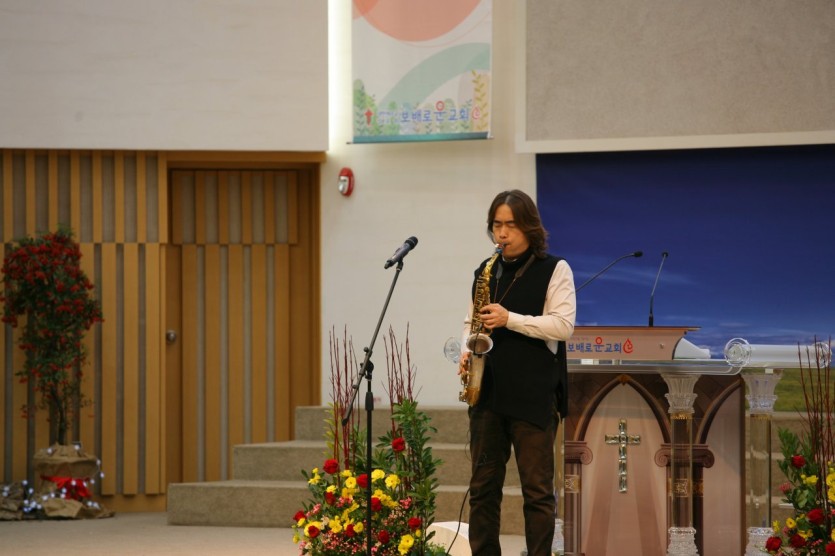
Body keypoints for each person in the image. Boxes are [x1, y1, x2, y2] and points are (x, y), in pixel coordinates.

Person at [459, 189, 576, 556]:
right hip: (488, 392)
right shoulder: (486, 270)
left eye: (510, 225)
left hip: (533, 394)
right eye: (496, 225)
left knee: (537, 493)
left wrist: (510, 319)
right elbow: (470, 321)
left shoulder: (555, 268)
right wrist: (466, 350)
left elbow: (563, 326)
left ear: (529, 227)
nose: (502, 233)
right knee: (482, 490)